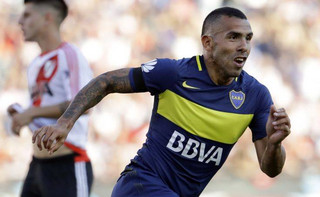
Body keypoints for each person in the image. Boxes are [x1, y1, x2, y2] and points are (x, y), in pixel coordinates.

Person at [33, 7, 291, 197]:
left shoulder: (256, 96)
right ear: (208, 43)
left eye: (248, 38)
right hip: (139, 185)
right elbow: (107, 81)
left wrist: (275, 144)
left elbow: (271, 170)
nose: (244, 46)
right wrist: (65, 123)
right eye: (234, 37)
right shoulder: (173, 74)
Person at [7, 0, 94, 196]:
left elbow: (85, 103)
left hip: (67, 164)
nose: (20, 21)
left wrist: (31, 113)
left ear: (48, 18)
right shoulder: (35, 64)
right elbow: (40, 111)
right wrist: (21, 114)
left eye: (27, 15)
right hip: (37, 165)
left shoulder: (69, 54)